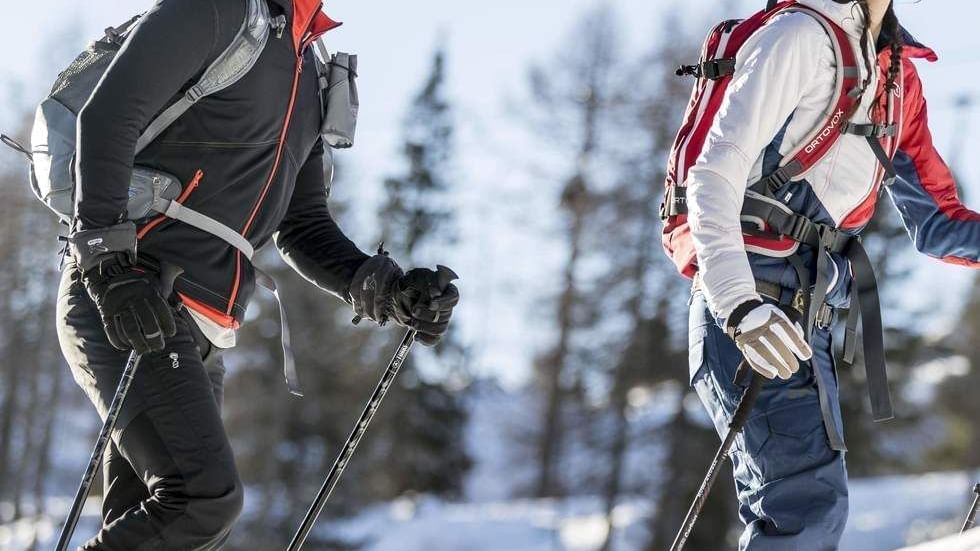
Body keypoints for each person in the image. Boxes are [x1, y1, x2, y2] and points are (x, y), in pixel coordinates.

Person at [56, 0, 459, 549]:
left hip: (200, 326)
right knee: (201, 499)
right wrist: (109, 268)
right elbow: (105, 118)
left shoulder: (308, 63)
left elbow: (304, 226)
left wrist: (387, 290)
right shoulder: (213, 12)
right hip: (132, 290)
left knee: (165, 521)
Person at [684, 0, 979, 549]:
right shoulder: (798, 35)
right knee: (806, 510)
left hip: (806, 320)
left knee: (810, 510)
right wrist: (739, 304)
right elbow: (713, 169)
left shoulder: (895, 75)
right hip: (751, 305)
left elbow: (936, 223)